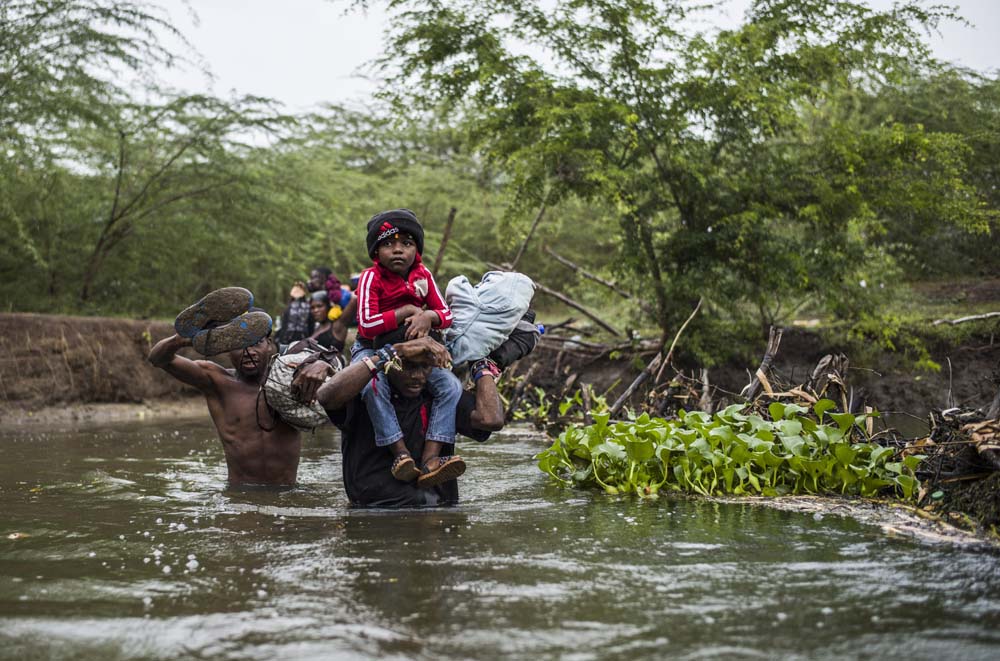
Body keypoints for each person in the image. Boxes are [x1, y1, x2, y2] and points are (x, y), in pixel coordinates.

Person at [149, 288, 337, 487]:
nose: (249, 352)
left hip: (287, 493)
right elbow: (158, 359)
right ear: (227, 348)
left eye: (256, 343)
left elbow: (338, 374)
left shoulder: (292, 378)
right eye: (239, 344)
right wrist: (181, 339)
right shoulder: (216, 382)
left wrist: (324, 365)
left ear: (269, 344)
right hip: (240, 497)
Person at [317, 334, 505, 507]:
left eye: (425, 367)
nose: (417, 376)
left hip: (438, 511)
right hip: (377, 513)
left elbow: (491, 419)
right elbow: (326, 396)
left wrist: (482, 367)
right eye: (407, 366)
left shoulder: (441, 396)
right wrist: (390, 352)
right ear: (390, 362)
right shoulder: (367, 391)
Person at [354, 209, 463, 487]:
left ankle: (430, 459)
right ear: (376, 252)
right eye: (388, 244)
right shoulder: (371, 277)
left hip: (414, 348)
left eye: (407, 243)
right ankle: (400, 453)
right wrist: (406, 311)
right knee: (371, 386)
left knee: (450, 387)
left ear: (417, 249)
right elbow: (367, 324)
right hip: (372, 347)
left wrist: (428, 316)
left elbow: (447, 315)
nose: (398, 250)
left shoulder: (423, 275)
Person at [276, 281, 314, 347]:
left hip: (292, 338)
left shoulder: (290, 306)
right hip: (299, 338)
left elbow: (284, 325)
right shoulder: (307, 306)